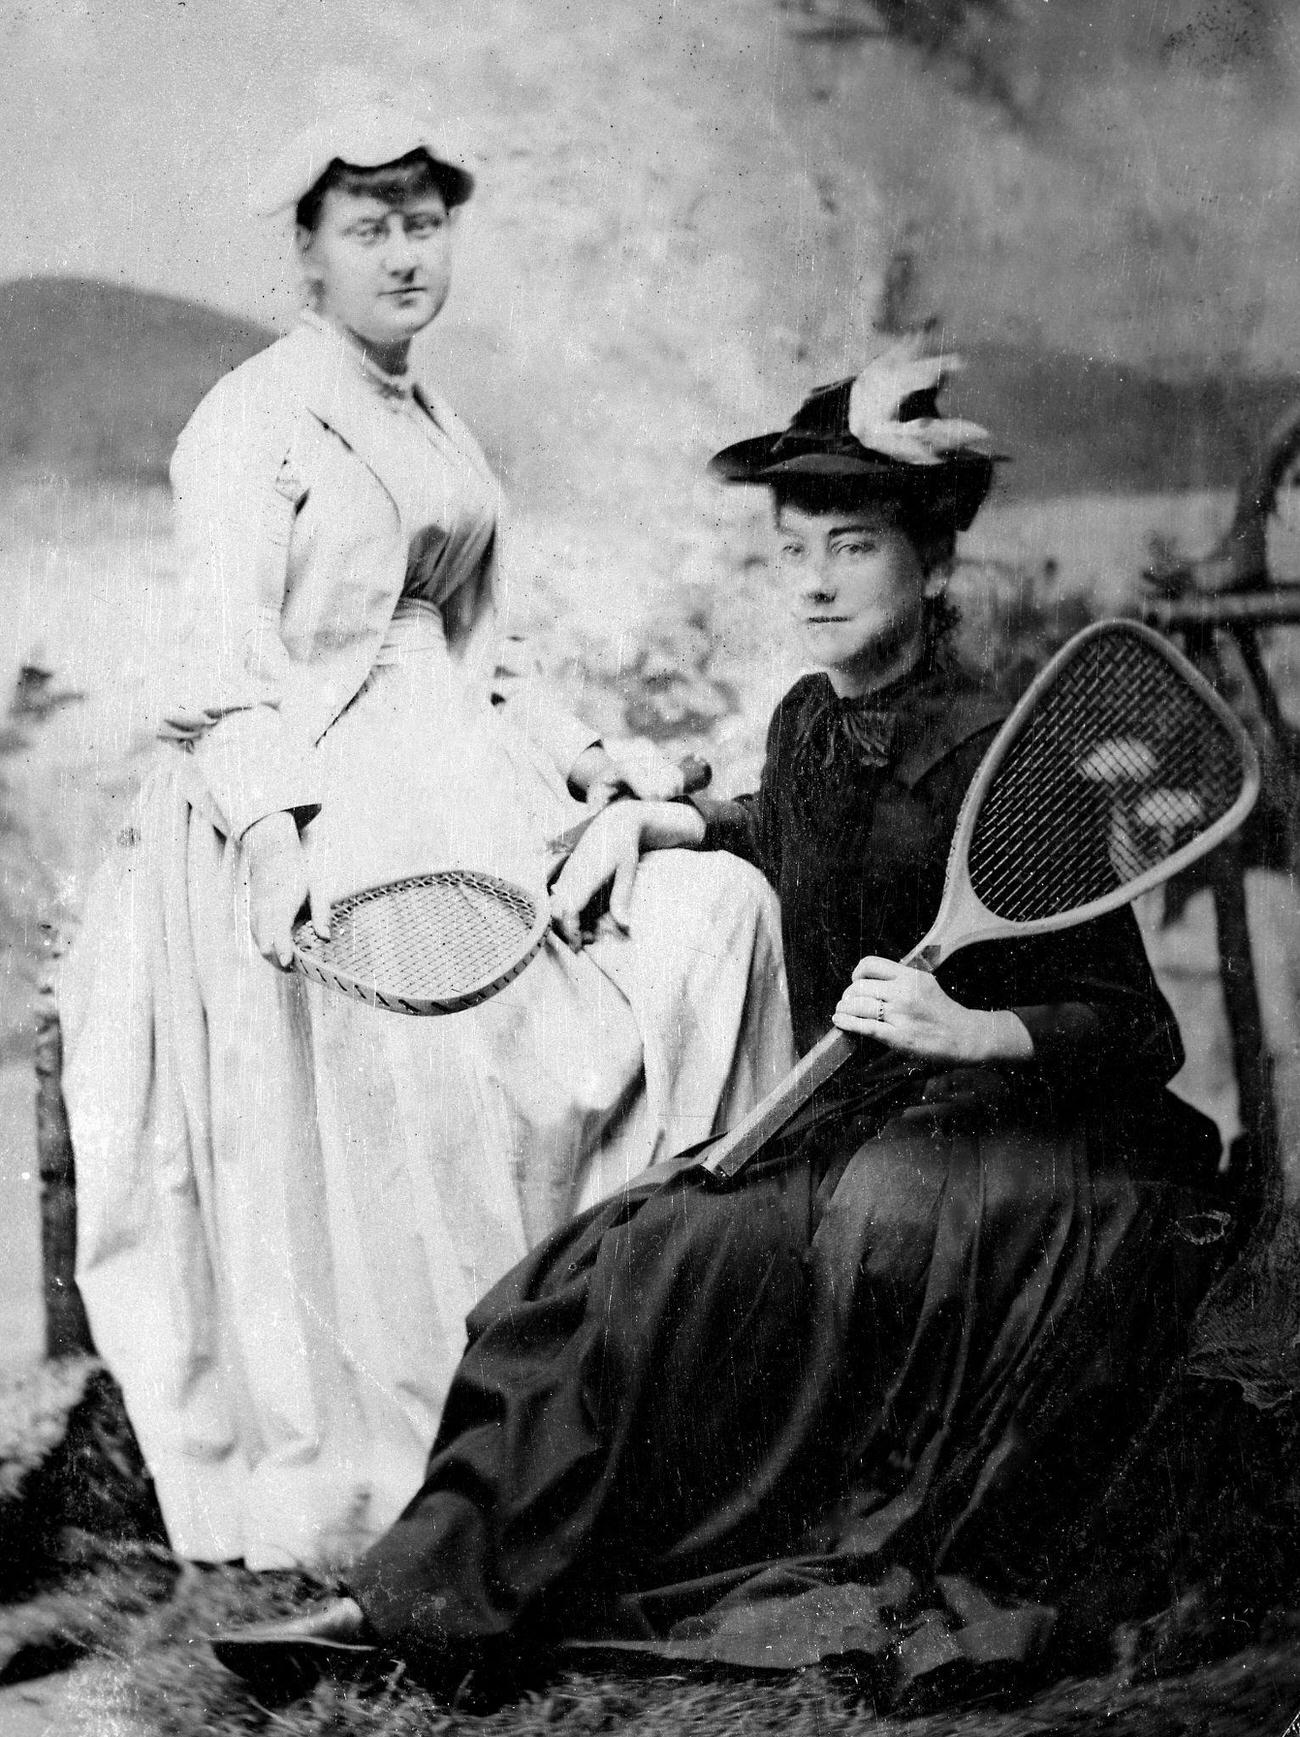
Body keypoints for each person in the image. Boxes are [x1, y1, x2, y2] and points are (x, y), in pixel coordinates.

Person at [210, 343, 1238, 1707]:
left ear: (932, 565)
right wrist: (669, 816)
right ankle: (417, 1595)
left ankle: (531, 1583)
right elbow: (804, 837)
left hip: (1027, 1158)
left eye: (852, 546)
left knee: (842, 1243)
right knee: (625, 1257)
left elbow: (1134, 1031)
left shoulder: (1013, 752)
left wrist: (967, 1027)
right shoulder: (810, 720)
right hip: (851, 1127)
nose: (810, 580)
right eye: (790, 549)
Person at [58, 102, 793, 1573]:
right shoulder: (253, 418)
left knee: (707, 912)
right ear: (310, 257)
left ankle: (643, 1397)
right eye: (369, 225)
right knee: (447, 1074)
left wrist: (591, 766)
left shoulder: (430, 418)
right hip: (310, 793)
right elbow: (214, 669)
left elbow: (483, 655)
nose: (404, 251)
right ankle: (440, 1481)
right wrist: (276, 838)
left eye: (424, 219)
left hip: (464, 774)